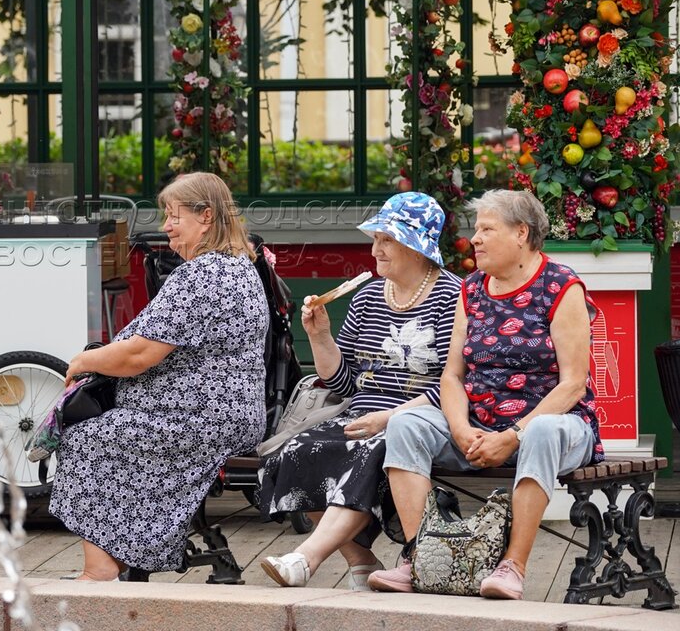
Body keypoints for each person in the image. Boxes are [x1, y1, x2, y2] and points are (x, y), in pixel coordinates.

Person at [368, 189, 603, 600]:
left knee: (542, 431)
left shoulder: (561, 286)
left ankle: (513, 567)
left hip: (555, 425)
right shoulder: (472, 288)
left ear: (521, 233)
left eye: (487, 229)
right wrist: (460, 429)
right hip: (479, 426)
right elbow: (453, 376)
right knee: (405, 423)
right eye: (476, 229)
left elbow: (573, 384)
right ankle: (422, 558)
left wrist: (512, 435)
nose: (474, 238)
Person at [49, 172, 267, 581]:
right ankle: (120, 557)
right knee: (109, 433)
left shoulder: (201, 275)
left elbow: (139, 355)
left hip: (200, 419)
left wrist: (83, 361)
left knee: (86, 439)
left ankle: (100, 570)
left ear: (206, 217)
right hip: (225, 415)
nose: (166, 226)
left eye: (174, 216)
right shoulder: (239, 265)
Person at [256, 192, 461, 590]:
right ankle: (361, 561)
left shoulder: (453, 297)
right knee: (294, 452)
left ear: (416, 247)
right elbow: (345, 384)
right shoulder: (367, 297)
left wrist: (389, 417)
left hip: (420, 420)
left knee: (368, 451)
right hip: (360, 414)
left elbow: (455, 384)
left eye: (386, 240)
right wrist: (320, 336)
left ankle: (306, 559)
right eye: (376, 238)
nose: (374, 250)